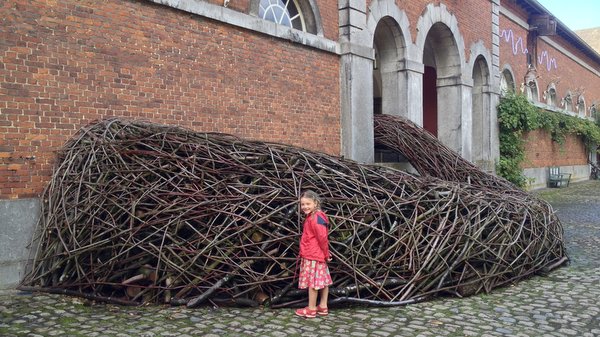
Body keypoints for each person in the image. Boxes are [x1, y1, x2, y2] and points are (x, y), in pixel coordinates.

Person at [295, 190, 333, 318]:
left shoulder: (317, 217)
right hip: (314, 254)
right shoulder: (312, 216)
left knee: (313, 283)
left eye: (308, 204)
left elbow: (322, 237)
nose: (305, 207)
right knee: (322, 281)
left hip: (314, 255)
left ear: (315, 203)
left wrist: (326, 254)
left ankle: (311, 309)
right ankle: (323, 306)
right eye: (303, 204)